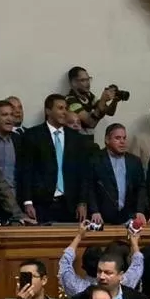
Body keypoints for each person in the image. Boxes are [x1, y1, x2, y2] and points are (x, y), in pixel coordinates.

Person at [18, 94, 92, 224]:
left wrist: (82, 202)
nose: (64, 112)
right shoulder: (33, 135)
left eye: (66, 108)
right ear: (48, 111)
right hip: (41, 204)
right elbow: (26, 171)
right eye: (60, 108)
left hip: (70, 205)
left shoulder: (76, 138)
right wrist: (28, 202)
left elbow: (83, 173)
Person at [86, 123, 148, 226]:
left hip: (129, 216)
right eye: (118, 138)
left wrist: (140, 210)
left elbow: (141, 187)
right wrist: (94, 211)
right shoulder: (95, 160)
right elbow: (90, 187)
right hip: (102, 217)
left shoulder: (134, 161)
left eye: (124, 138)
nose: (122, 142)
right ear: (107, 140)